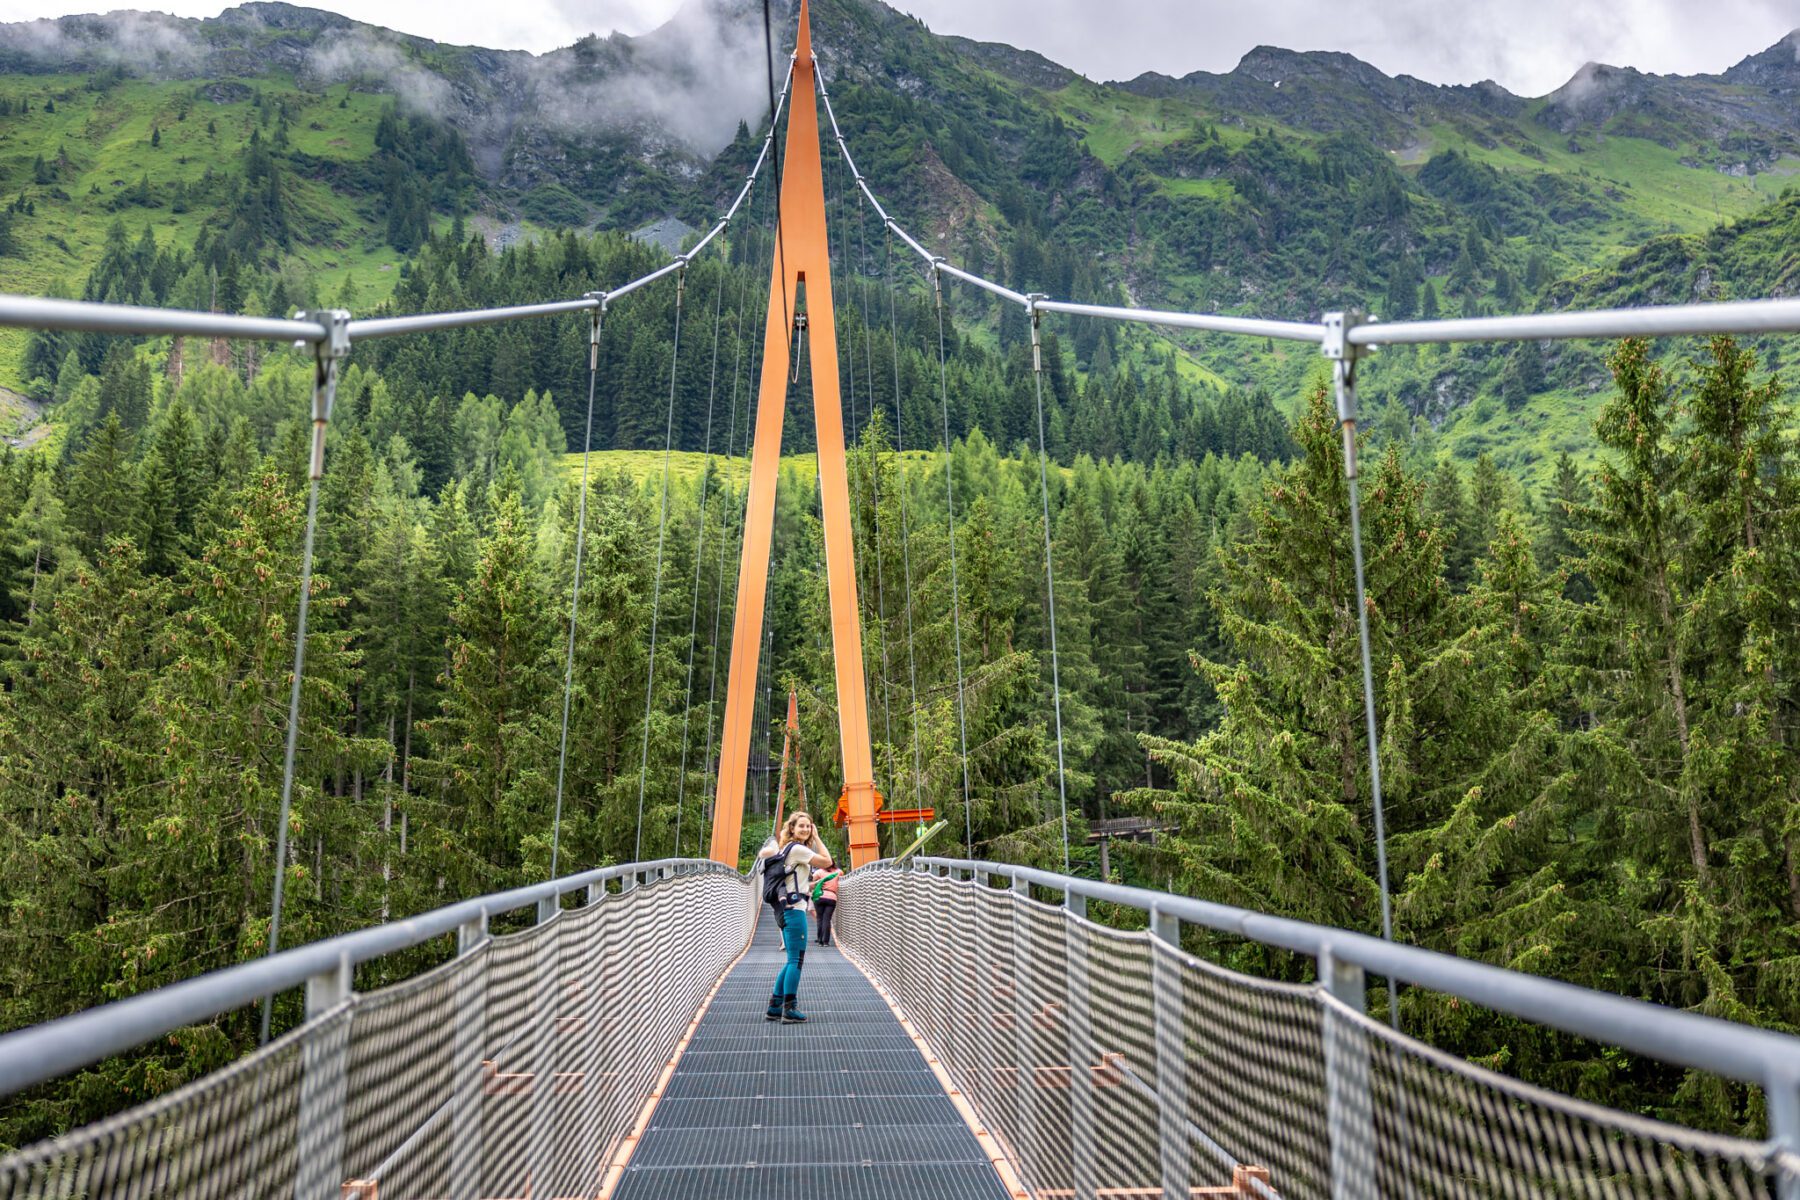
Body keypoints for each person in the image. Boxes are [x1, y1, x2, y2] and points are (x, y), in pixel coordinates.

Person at [756, 811, 832, 1023]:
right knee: (795, 961)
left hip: (789, 906)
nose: (806, 830)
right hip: (794, 910)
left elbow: (796, 883)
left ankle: (775, 1004)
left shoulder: (788, 849)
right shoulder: (798, 848)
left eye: (808, 826)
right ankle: (789, 1008)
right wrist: (816, 838)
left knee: (792, 960)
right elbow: (827, 861)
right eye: (802, 826)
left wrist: (813, 885)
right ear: (792, 829)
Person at [813, 867, 839, 947]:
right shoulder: (838, 872)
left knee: (820, 919)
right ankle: (825, 942)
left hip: (819, 896)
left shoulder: (819, 872)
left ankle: (820, 940)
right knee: (827, 919)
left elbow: (813, 879)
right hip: (832, 897)